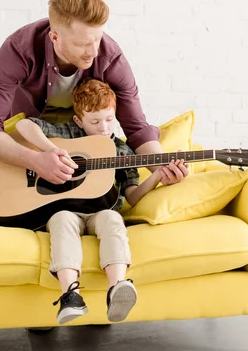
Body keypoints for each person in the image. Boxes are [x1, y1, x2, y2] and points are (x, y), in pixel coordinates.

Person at [0, 0, 188, 187]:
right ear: (54, 37)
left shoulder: (110, 57)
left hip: (81, 152)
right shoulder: (19, 50)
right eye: (82, 44)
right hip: (30, 144)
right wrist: (36, 160)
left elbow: (137, 128)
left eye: (97, 40)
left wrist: (161, 170)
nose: (94, 52)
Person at [15, 78, 183, 325]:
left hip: (102, 210)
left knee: (113, 219)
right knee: (61, 221)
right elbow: (24, 126)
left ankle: (118, 287)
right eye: (94, 122)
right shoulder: (71, 135)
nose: (103, 127)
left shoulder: (121, 151)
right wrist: (52, 151)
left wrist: (157, 176)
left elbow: (133, 196)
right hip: (64, 208)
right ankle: (70, 295)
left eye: (108, 119)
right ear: (78, 121)